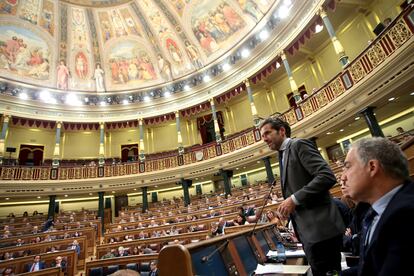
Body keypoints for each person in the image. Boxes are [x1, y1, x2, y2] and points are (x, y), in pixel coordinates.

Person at [260, 117, 344, 276]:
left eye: (267, 133)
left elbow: (326, 176)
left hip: (321, 232)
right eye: (262, 135)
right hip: (309, 233)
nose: (264, 139)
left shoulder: (298, 145)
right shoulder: (282, 155)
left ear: (282, 131)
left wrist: (294, 199)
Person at [340, 137, 413, 276]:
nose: (342, 177)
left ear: (372, 167)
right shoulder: (375, 212)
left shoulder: (405, 215)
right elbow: (372, 267)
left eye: (348, 166)